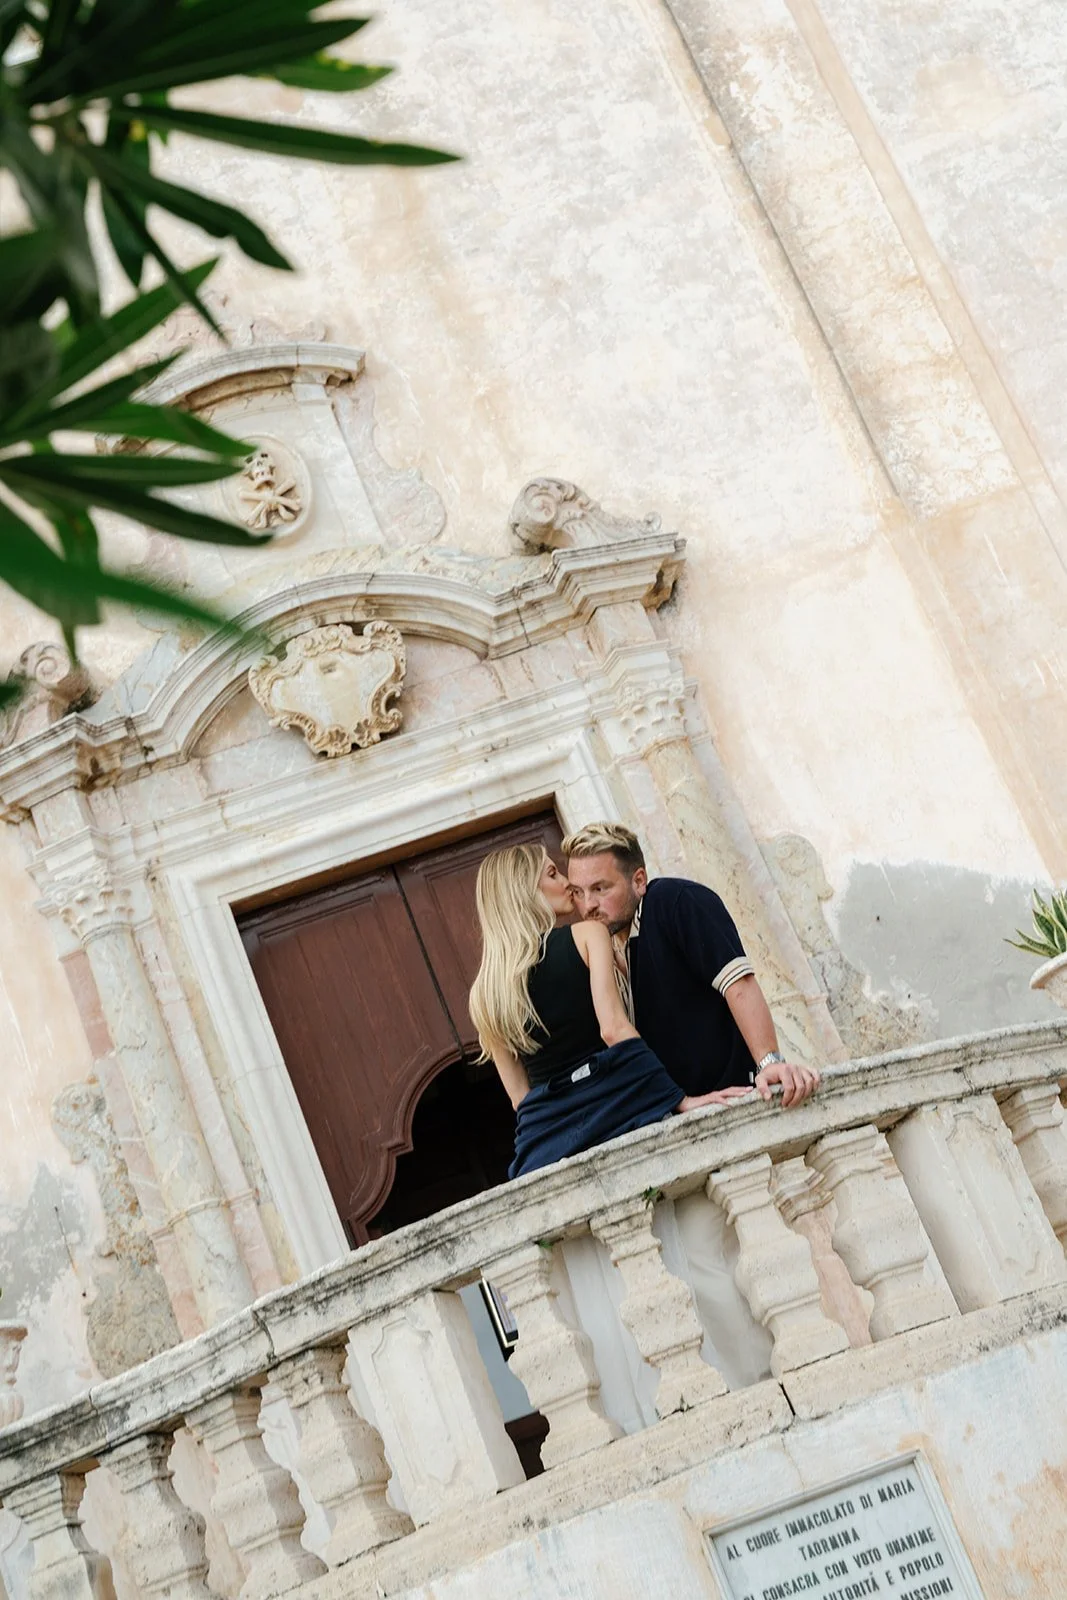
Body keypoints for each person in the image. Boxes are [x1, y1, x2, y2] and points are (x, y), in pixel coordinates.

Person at [468, 843, 736, 1178]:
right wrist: (678, 1099)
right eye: (552, 873)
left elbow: (521, 1100)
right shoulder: (587, 935)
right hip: (621, 1110)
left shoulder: (483, 994)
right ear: (523, 890)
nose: (566, 882)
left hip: (549, 1146)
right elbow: (614, 1030)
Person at [562, 822, 819, 1107]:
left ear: (638, 880)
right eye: (577, 892)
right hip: (679, 1119)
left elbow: (738, 984)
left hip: (735, 1100)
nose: (588, 906)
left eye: (600, 888)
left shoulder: (675, 901)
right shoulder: (597, 950)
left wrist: (769, 1062)